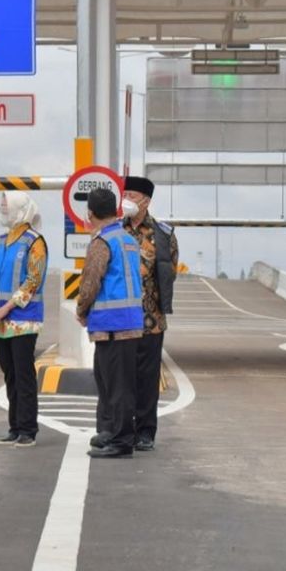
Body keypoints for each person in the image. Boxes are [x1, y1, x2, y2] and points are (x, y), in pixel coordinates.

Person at [75, 187, 144, 459]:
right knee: (112, 384)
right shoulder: (128, 239)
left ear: (90, 213)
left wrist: (82, 309)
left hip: (112, 325)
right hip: (126, 323)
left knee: (116, 387)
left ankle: (121, 440)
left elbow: (91, 281)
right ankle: (109, 432)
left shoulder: (102, 242)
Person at [0, 191, 47, 447]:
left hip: (22, 319)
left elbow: (32, 281)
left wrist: (5, 308)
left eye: (6, 205)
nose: (3, 209)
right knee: (10, 374)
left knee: (23, 375)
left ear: (21, 209)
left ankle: (28, 428)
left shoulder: (35, 242)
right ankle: (14, 425)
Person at [120, 175, 178, 452]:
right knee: (122, 378)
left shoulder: (162, 234)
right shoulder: (115, 230)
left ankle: (145, 432)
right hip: (119, 319)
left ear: (145, 201)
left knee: (146, 378)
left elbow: (170, 272)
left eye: (131, 195)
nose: (126, 200)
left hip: (151, 320)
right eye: (124, 194)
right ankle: (122, 430)